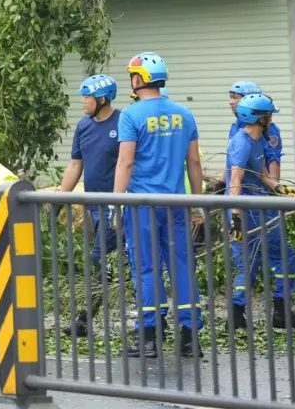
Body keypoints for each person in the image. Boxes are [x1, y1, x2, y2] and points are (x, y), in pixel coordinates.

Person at [114, 52, 204, 359]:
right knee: (181, 267)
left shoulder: (131, 115)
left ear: (139, 79)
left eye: (132, 75)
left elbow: (125, 164)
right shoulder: (184, 114)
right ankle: (191, 339)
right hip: (177, 205)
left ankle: (150, 338)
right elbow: (194, 162)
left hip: (142, 206)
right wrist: (196, 202)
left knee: (147, 269)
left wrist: (115, 202)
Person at [226, 94, 295, 331]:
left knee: (255, 260)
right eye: (269, 114)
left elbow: (260, 172)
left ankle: (242, 314)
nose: (271, 118)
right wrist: (237, 218)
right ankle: (277, 312)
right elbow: (235, 182)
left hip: (259, 205)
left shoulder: (257, 139)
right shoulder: (241, 143)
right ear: (261, 118)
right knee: (274, 258)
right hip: (250, 210)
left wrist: (280, 188)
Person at [59, 74, 121, 337]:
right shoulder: (84, 126)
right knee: (108, 262)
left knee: (103, 261)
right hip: (93, 207)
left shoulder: (124, 123)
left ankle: (84, 319)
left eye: (87, 97)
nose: (83, 102)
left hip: (116, 205)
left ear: (102, 99)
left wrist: (121, 203)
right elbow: (76, 164)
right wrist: (60, 197)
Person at [228, 81, 283, 186]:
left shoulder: (267, 129)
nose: (230, 102)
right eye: (230, 97)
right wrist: (221, 183)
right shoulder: (237, 127)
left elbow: (273, 161)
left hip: (259, 191)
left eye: (235, 98)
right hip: (239, 190)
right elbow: (234, 161)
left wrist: (276, 190)